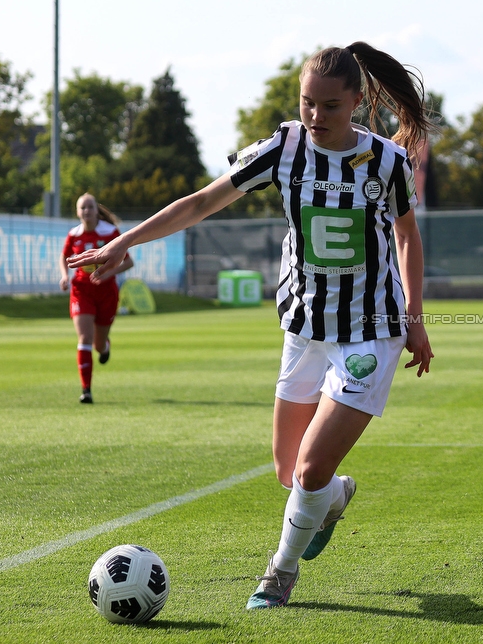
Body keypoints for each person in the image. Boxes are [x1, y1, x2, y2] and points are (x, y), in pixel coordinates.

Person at [67, 42, 435, 609]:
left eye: (330, 106)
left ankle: (278, 574)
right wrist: (123, 240)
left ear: (358, 103)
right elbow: (199, 202)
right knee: (291, 472)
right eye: (308, 103)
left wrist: (414, 319)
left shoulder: (387, 161)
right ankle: (334, 497)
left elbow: (407, 236)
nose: (316, 117)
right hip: (305, 328)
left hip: (371, 328)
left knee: (309, 468)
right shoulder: (283, 148)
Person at [58, 194, 134, 404]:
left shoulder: (110, 232)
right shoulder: (73, 235)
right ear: (77, 212)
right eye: (82, 208)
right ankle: (86, 390)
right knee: (84, 339)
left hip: (106, 292)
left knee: (98, 345)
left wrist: (106, 274)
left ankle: (105, 348)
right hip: (82, 290)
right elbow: (64, 258)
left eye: (90, 207)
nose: (86, 211)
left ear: (96, 210)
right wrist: (65, 276)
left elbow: (128, 262)